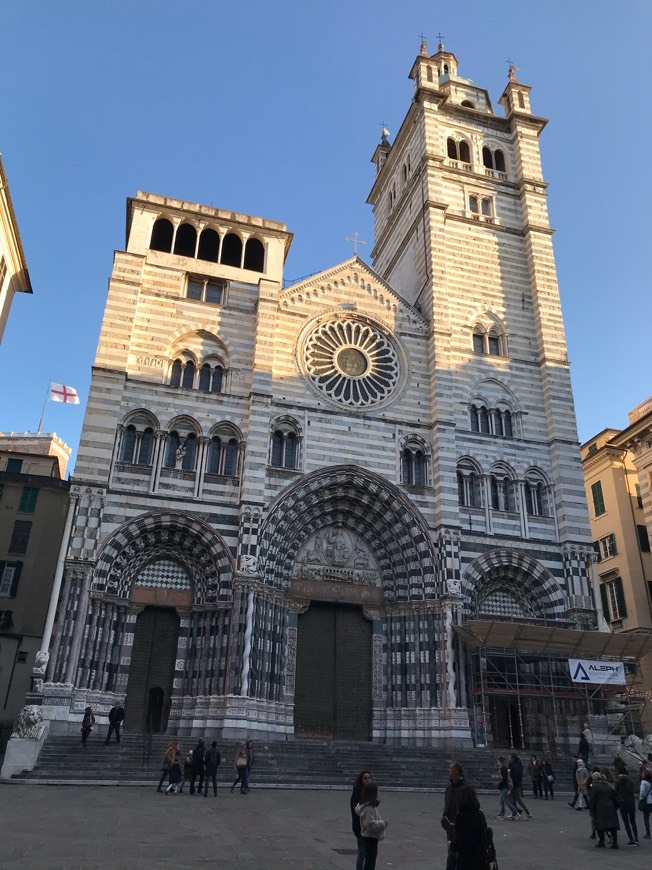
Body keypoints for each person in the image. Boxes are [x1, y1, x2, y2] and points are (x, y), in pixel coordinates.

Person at [449, 786, 491, 870]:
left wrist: (451, 844)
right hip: (481, 860)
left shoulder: (462, 817)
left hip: (467, 861)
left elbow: (463, 843)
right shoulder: (480, 814)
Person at [442, 762, 473, 870]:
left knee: (460, 856)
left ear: (456, 771)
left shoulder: (466, 789)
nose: (448, 770)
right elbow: (447, 805)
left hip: (461, 828)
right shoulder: (449, 788)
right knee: (451, 854)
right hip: (450, 828)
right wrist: (444, 819)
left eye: (450, 768)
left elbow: (471, 809)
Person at [355, 782, 388, 870]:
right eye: (377, 791)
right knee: (370, 861)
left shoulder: (367, 805)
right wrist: (383, 823)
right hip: (370, 837)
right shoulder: (369, 808)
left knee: (370, 859)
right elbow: (370, 824)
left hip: (368, 836)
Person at [589, 771, 620, 848]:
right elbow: (615, 797)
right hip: (610, 807)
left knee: (600, 825)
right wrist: (615, 807)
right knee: (612, 826)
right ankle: (615, 843)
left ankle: (601, 842)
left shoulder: (594, 786)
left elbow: (592, 799)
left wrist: (591, 810)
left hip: (599, 807)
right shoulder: (608, 786)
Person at [351, 770, 372, 870]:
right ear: (361, 780)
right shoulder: (357, 793)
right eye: (365, 778)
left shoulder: (370, 792)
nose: (368, 780)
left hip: (369, 826)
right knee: (362, 852)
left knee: (365, 852)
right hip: (361, 827)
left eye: (369, 778)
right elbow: (356, 811)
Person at [614, 770, 639, 845]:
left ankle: (631, 839)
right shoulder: (630, 784)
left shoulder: (619, 785)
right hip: (631, 803)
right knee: (633, 821)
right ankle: (636, 838)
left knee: (626, 822)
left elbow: (616, 793)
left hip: (623, 804)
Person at [508, 753, 532, 819]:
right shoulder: (513, 765)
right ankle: (515, 812)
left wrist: (512, 786)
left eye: (510, 758)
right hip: (515, 785)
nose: (508, 759)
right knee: (513, 801)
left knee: (518, 800)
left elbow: (515, 777)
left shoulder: (515, 766)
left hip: (515, 785)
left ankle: (527, 812)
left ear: (512, 759)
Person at [496, 756, 519, 820]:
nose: (497, 762)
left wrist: (499, 782)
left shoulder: (503, 768)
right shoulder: (502, 768)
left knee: (506, 801)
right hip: (502, 786)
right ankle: (501, 814)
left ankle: (516, 812)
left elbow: (504, 778)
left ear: (500, 762)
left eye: (498, 761)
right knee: (501, 801)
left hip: (504, 786)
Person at [640, 767, 652, 839]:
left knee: (646, 818)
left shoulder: (643, 782)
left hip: (647, 801)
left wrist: (641, 799)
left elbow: (642, 792)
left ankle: (648, 833)